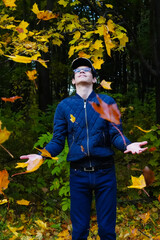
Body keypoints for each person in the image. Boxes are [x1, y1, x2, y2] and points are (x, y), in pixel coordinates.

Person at [20, 57, 148, 240]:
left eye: (86, 69)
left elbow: (116, 133)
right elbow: (57, 141)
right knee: (79, 231)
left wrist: (128, 144)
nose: (81, 71)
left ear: (94, 78)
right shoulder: (64, 106)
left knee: (107, 230)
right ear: (73, 80)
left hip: (105, 173)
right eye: (77, 70)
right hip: (78, 175)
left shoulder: (107, 101)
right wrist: (43, 155)